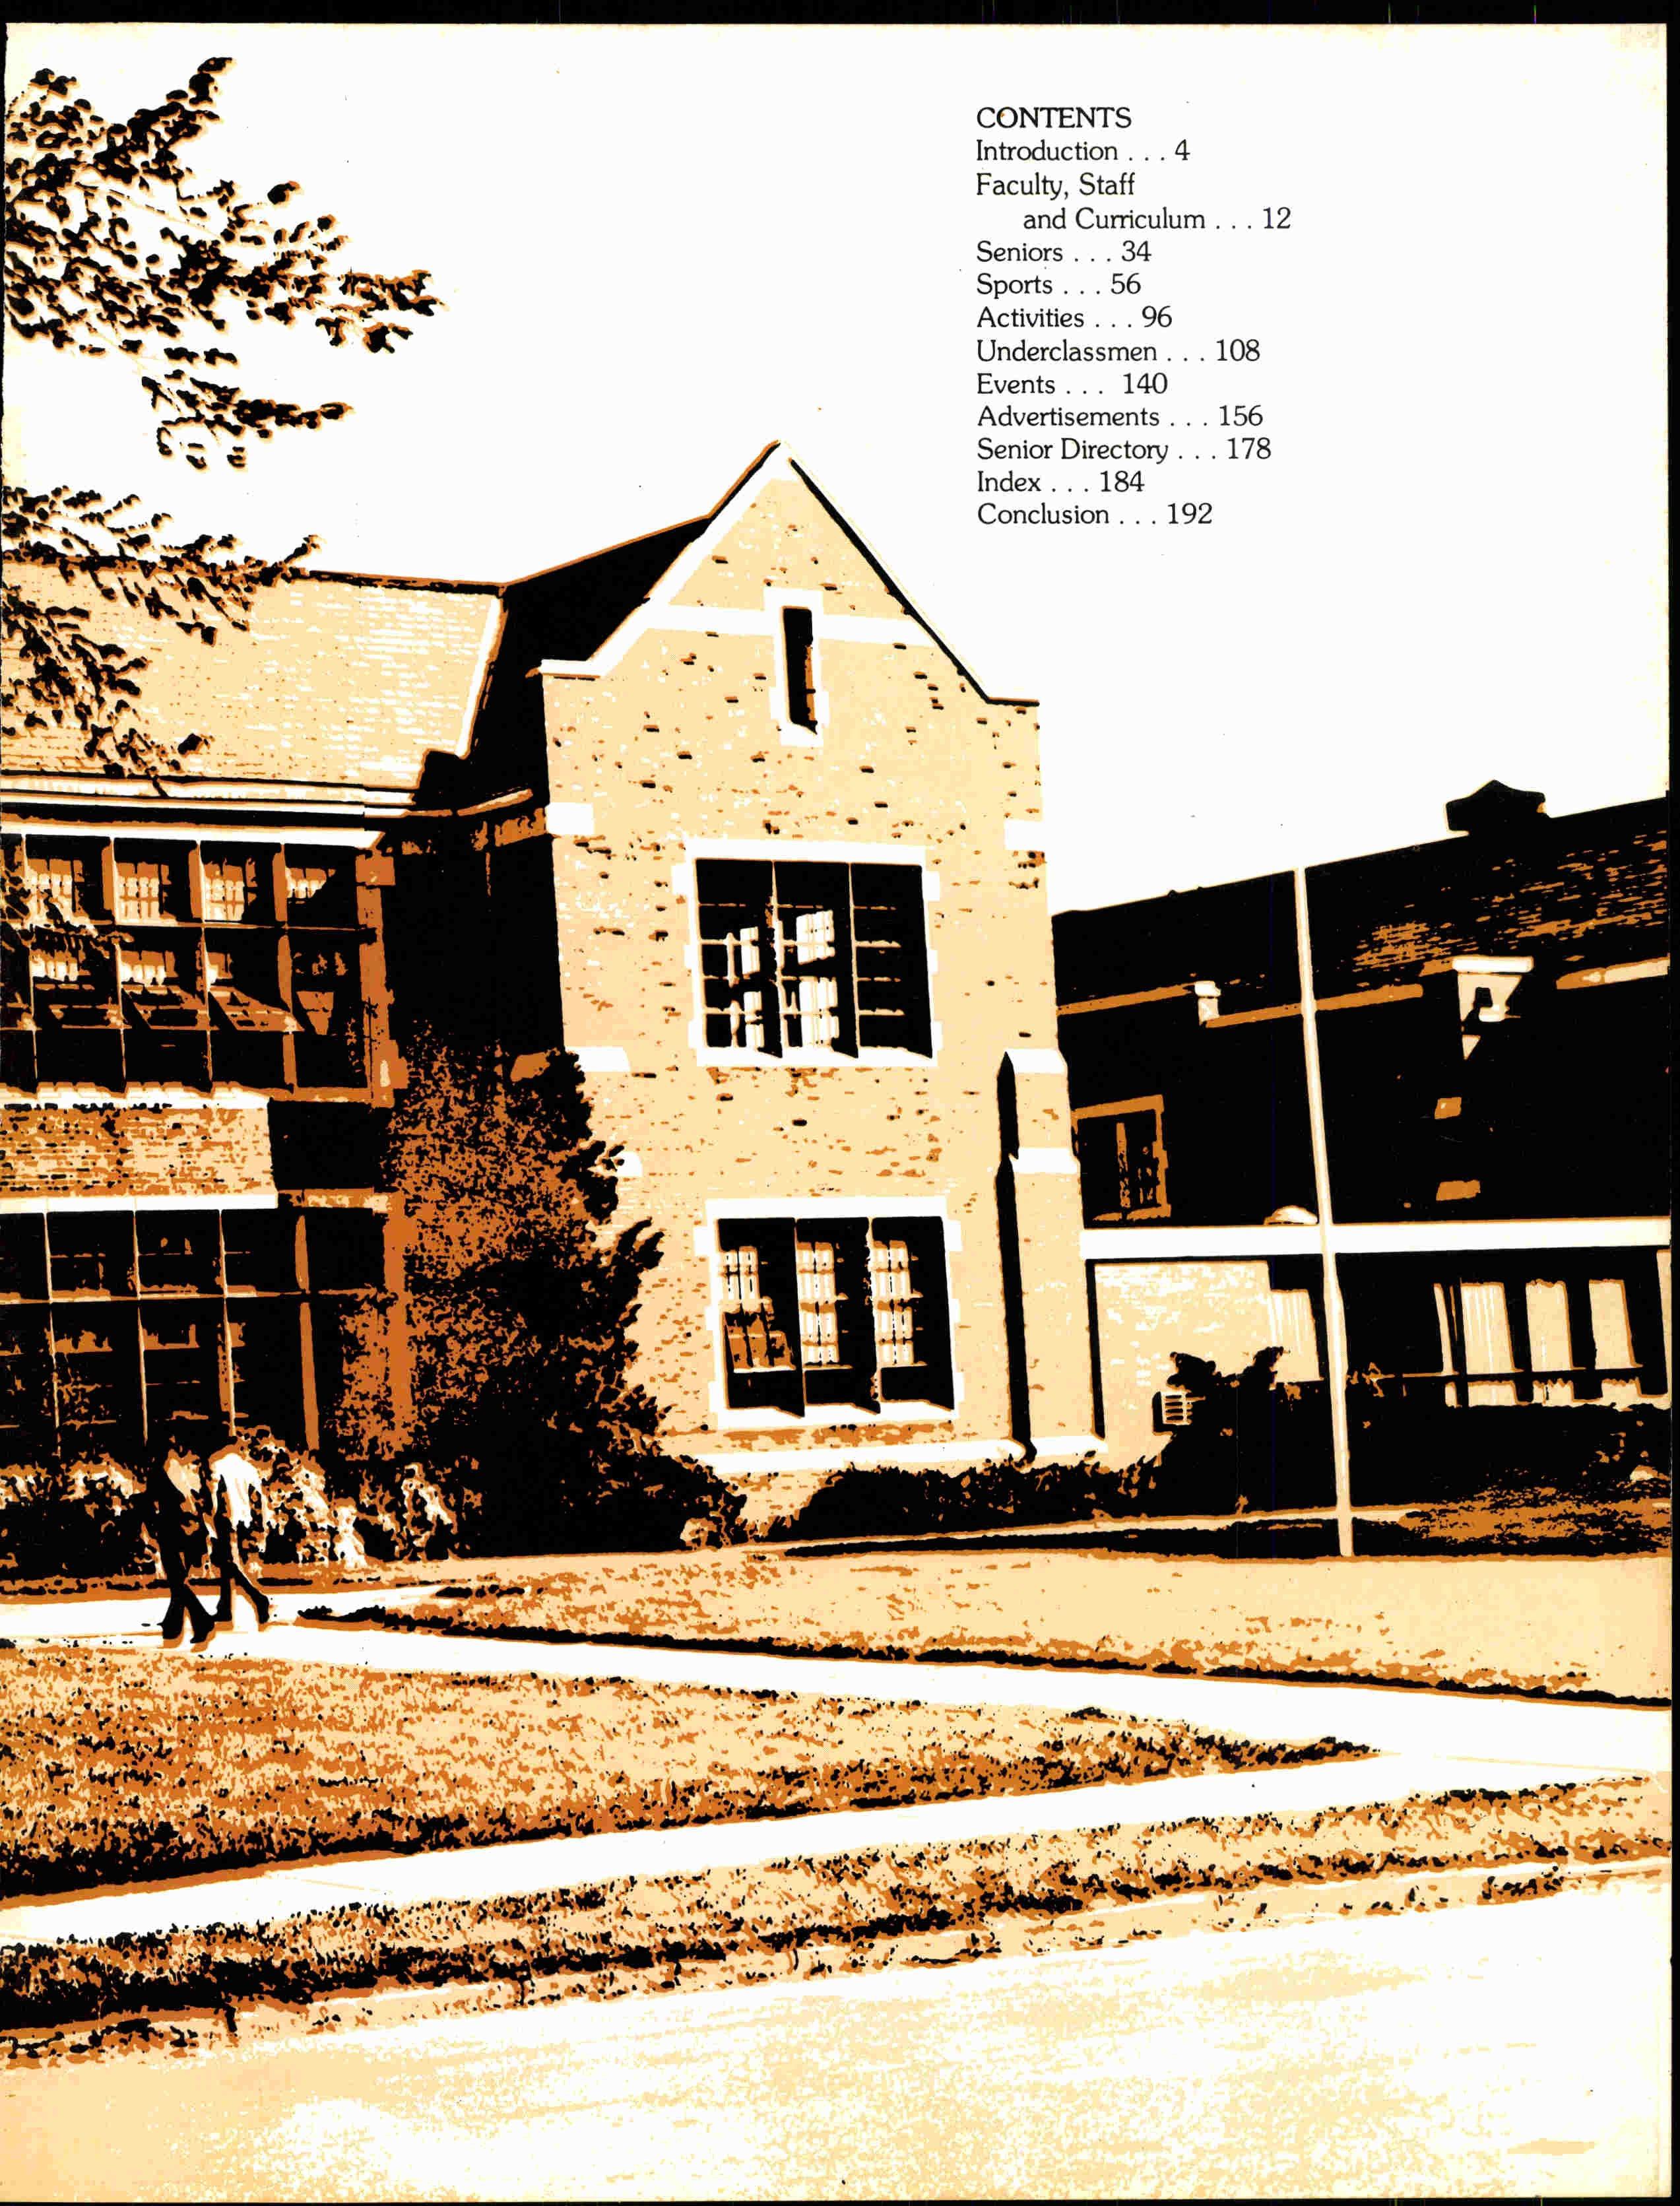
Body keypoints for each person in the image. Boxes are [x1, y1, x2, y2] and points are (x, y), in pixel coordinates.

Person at [142, 1426, 216, 1645]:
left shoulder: (158, 1471)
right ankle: (173, 1627)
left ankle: (202, 1620)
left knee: (177, 1581)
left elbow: (151, 1502)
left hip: (170, 1528)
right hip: (188, 1529)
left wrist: (151, 1527)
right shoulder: (179, 1468)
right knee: (178, 1580)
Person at [207, 1433, 272, 1627]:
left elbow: (215, 1495)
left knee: (228, 1562)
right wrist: (260, 1523)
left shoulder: (217, 1464)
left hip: (223, 1517)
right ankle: (225, 1608)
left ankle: (259, 1598)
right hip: (243, 1519)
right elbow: (258, 1497)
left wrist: (210, 1520)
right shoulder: (248, 1468)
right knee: (227, 1561)